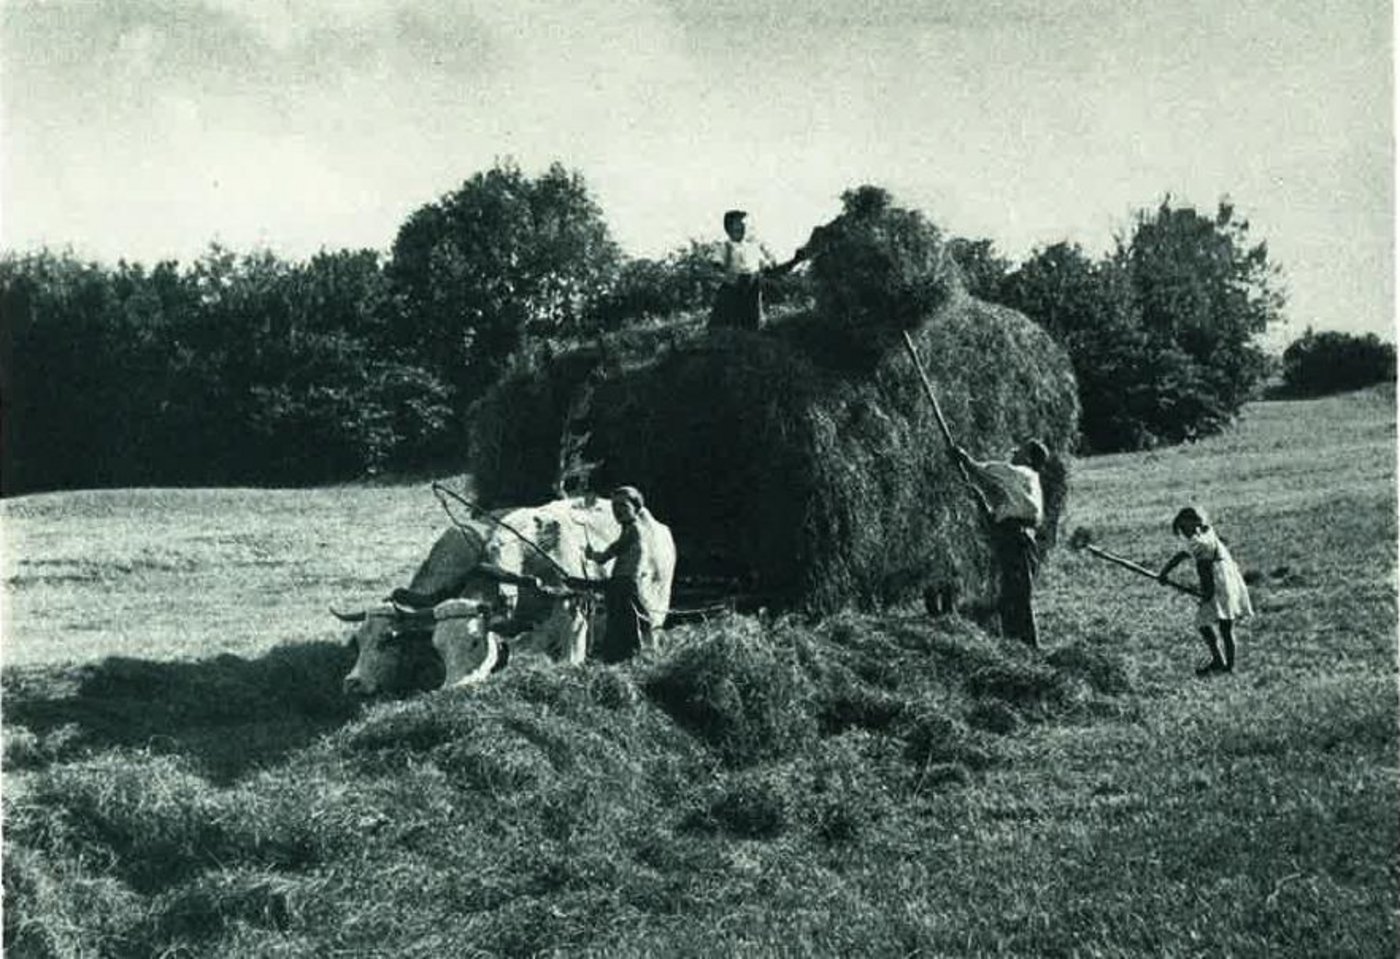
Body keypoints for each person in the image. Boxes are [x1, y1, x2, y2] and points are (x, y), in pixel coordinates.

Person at [562, 486, 676, 663]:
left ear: (636, 507)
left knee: (627, 629)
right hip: (621, 588)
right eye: (614, 506)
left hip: (626, 588)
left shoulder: (635, 531)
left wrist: (592, 565)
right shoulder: (628, 531)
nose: (617, 511)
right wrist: (593, 557)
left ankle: (632, 662)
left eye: (623, 506)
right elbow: (606, 557)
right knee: (622, 628)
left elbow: (612, 557)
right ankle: (626, 661)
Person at [953, 439, 1048, 649]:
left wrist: (966, 460)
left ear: (1029, 459)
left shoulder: (1022, 472)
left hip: (1017, 539)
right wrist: (981, 501)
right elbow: (1001, 515)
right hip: (1013, 537)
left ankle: (1027, 647)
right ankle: (1017, 645)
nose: (1014, 450)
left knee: (1017, 594)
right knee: (1011, 593)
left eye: (1020, 450)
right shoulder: (1025, 485)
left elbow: (990, 472)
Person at [1157, 506, 1253, 676]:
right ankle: (1225, 665)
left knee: (1208, 624)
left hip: (1220, 583)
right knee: (1224, 626)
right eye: (1181, 530)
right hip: (1227, 578)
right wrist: (1164, 573)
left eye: (1184, 529)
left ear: (1192, 525)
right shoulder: (1204, 534)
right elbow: (1181, 555)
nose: (1183, 533)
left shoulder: (1200, 543)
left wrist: (1207, 594)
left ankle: (1223, 664)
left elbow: (1205, 572)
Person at [708, 209, 804, 331]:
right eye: (738, 223)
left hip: (752, 288)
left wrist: (793, 261)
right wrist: (728, 275)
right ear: (729, 227)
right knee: (727, 325)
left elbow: (768, 269)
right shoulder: (724, 246)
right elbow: (716, 265)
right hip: (732, 289)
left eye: (743, 224)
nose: (742, 226)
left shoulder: (753, 247)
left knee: (752, 324)